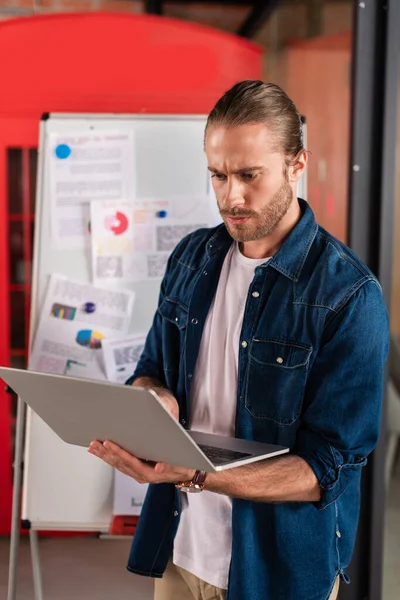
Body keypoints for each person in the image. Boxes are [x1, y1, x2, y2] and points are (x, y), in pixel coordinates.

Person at [89, 80, 389, 600]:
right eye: (218, 175)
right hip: (182, 549)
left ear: (297, 166)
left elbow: (327, 470)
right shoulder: (191, 256)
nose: (232, 196)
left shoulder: (349, 295)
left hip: (276, 572)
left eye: (250, 175)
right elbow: (152, 368)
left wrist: (199, 475)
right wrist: (152, 402)